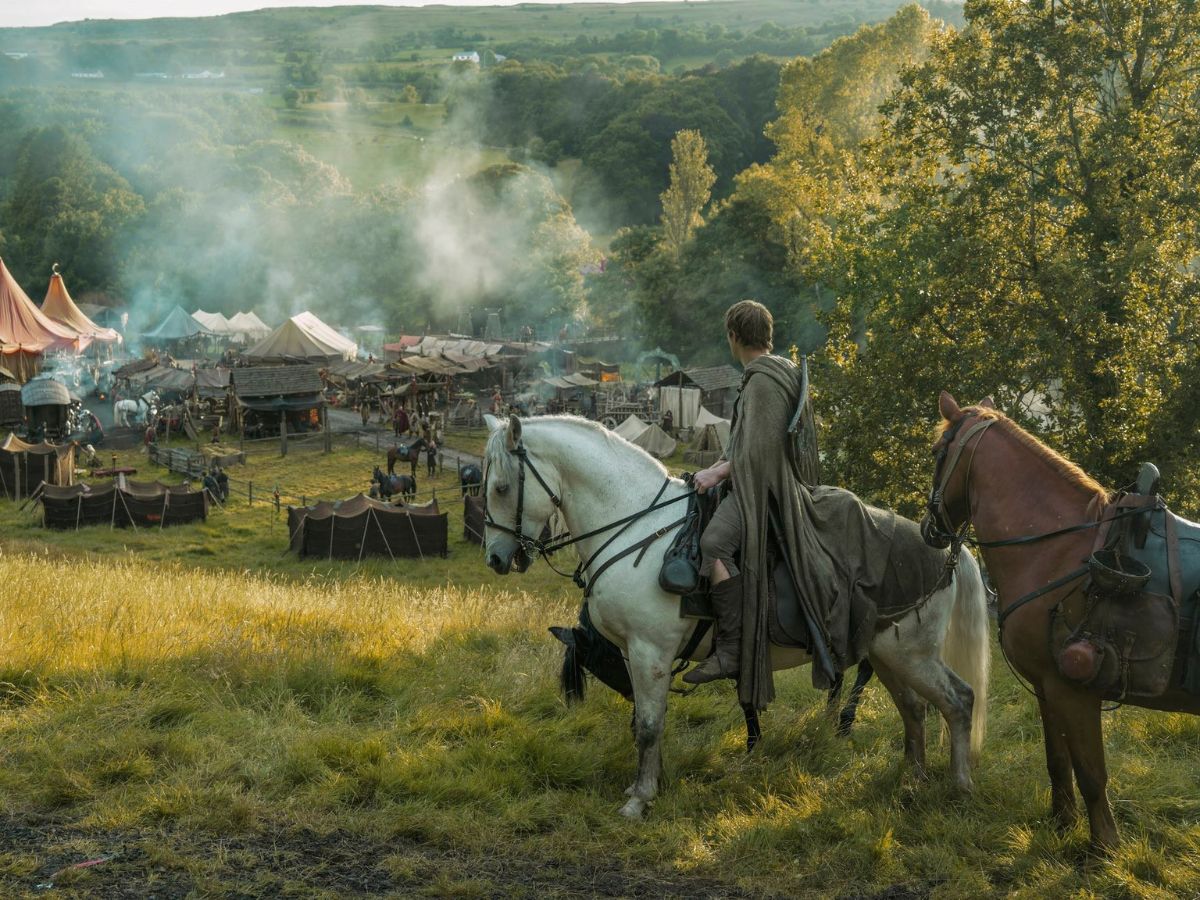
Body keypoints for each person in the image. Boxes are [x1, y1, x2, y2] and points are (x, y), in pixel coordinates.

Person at [683, 301, 824, 701]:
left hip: (764, 490)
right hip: (754, 479)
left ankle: (729, 649)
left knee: (712, 546)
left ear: (733, 336)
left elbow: (760, 454)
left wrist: (716, 473)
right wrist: (717, 464)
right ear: (767, 331)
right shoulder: (775, 371)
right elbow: (747, 443)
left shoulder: (761, 381)